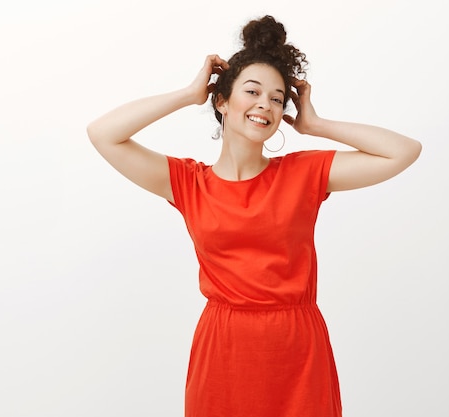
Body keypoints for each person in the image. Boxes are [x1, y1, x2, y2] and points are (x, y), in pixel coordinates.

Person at [87, 15, 421, 417]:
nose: (266, 104)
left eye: (278, 98)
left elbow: (404, 151)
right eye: (253, 91)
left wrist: (316, 125)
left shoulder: (303, 174)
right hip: (223, 351)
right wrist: (188, 94)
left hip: (297, 353)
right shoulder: (188, 183)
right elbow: (103, 133)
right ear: (223, 101)